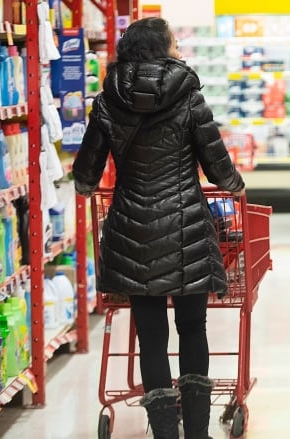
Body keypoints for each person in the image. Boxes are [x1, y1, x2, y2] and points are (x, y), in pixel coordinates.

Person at [72, 17, 245, 439]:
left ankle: (165, 432)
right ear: (162, 49)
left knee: (149, 334)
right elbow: (216, 163)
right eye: (174, 42)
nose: (180, 48)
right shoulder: (189, 95)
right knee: (192, 328)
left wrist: (86, 183)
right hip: (186, 227)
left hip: (133, 231)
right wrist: (235, 188)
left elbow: (86, 174)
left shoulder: (107, 100)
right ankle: (198, 433)